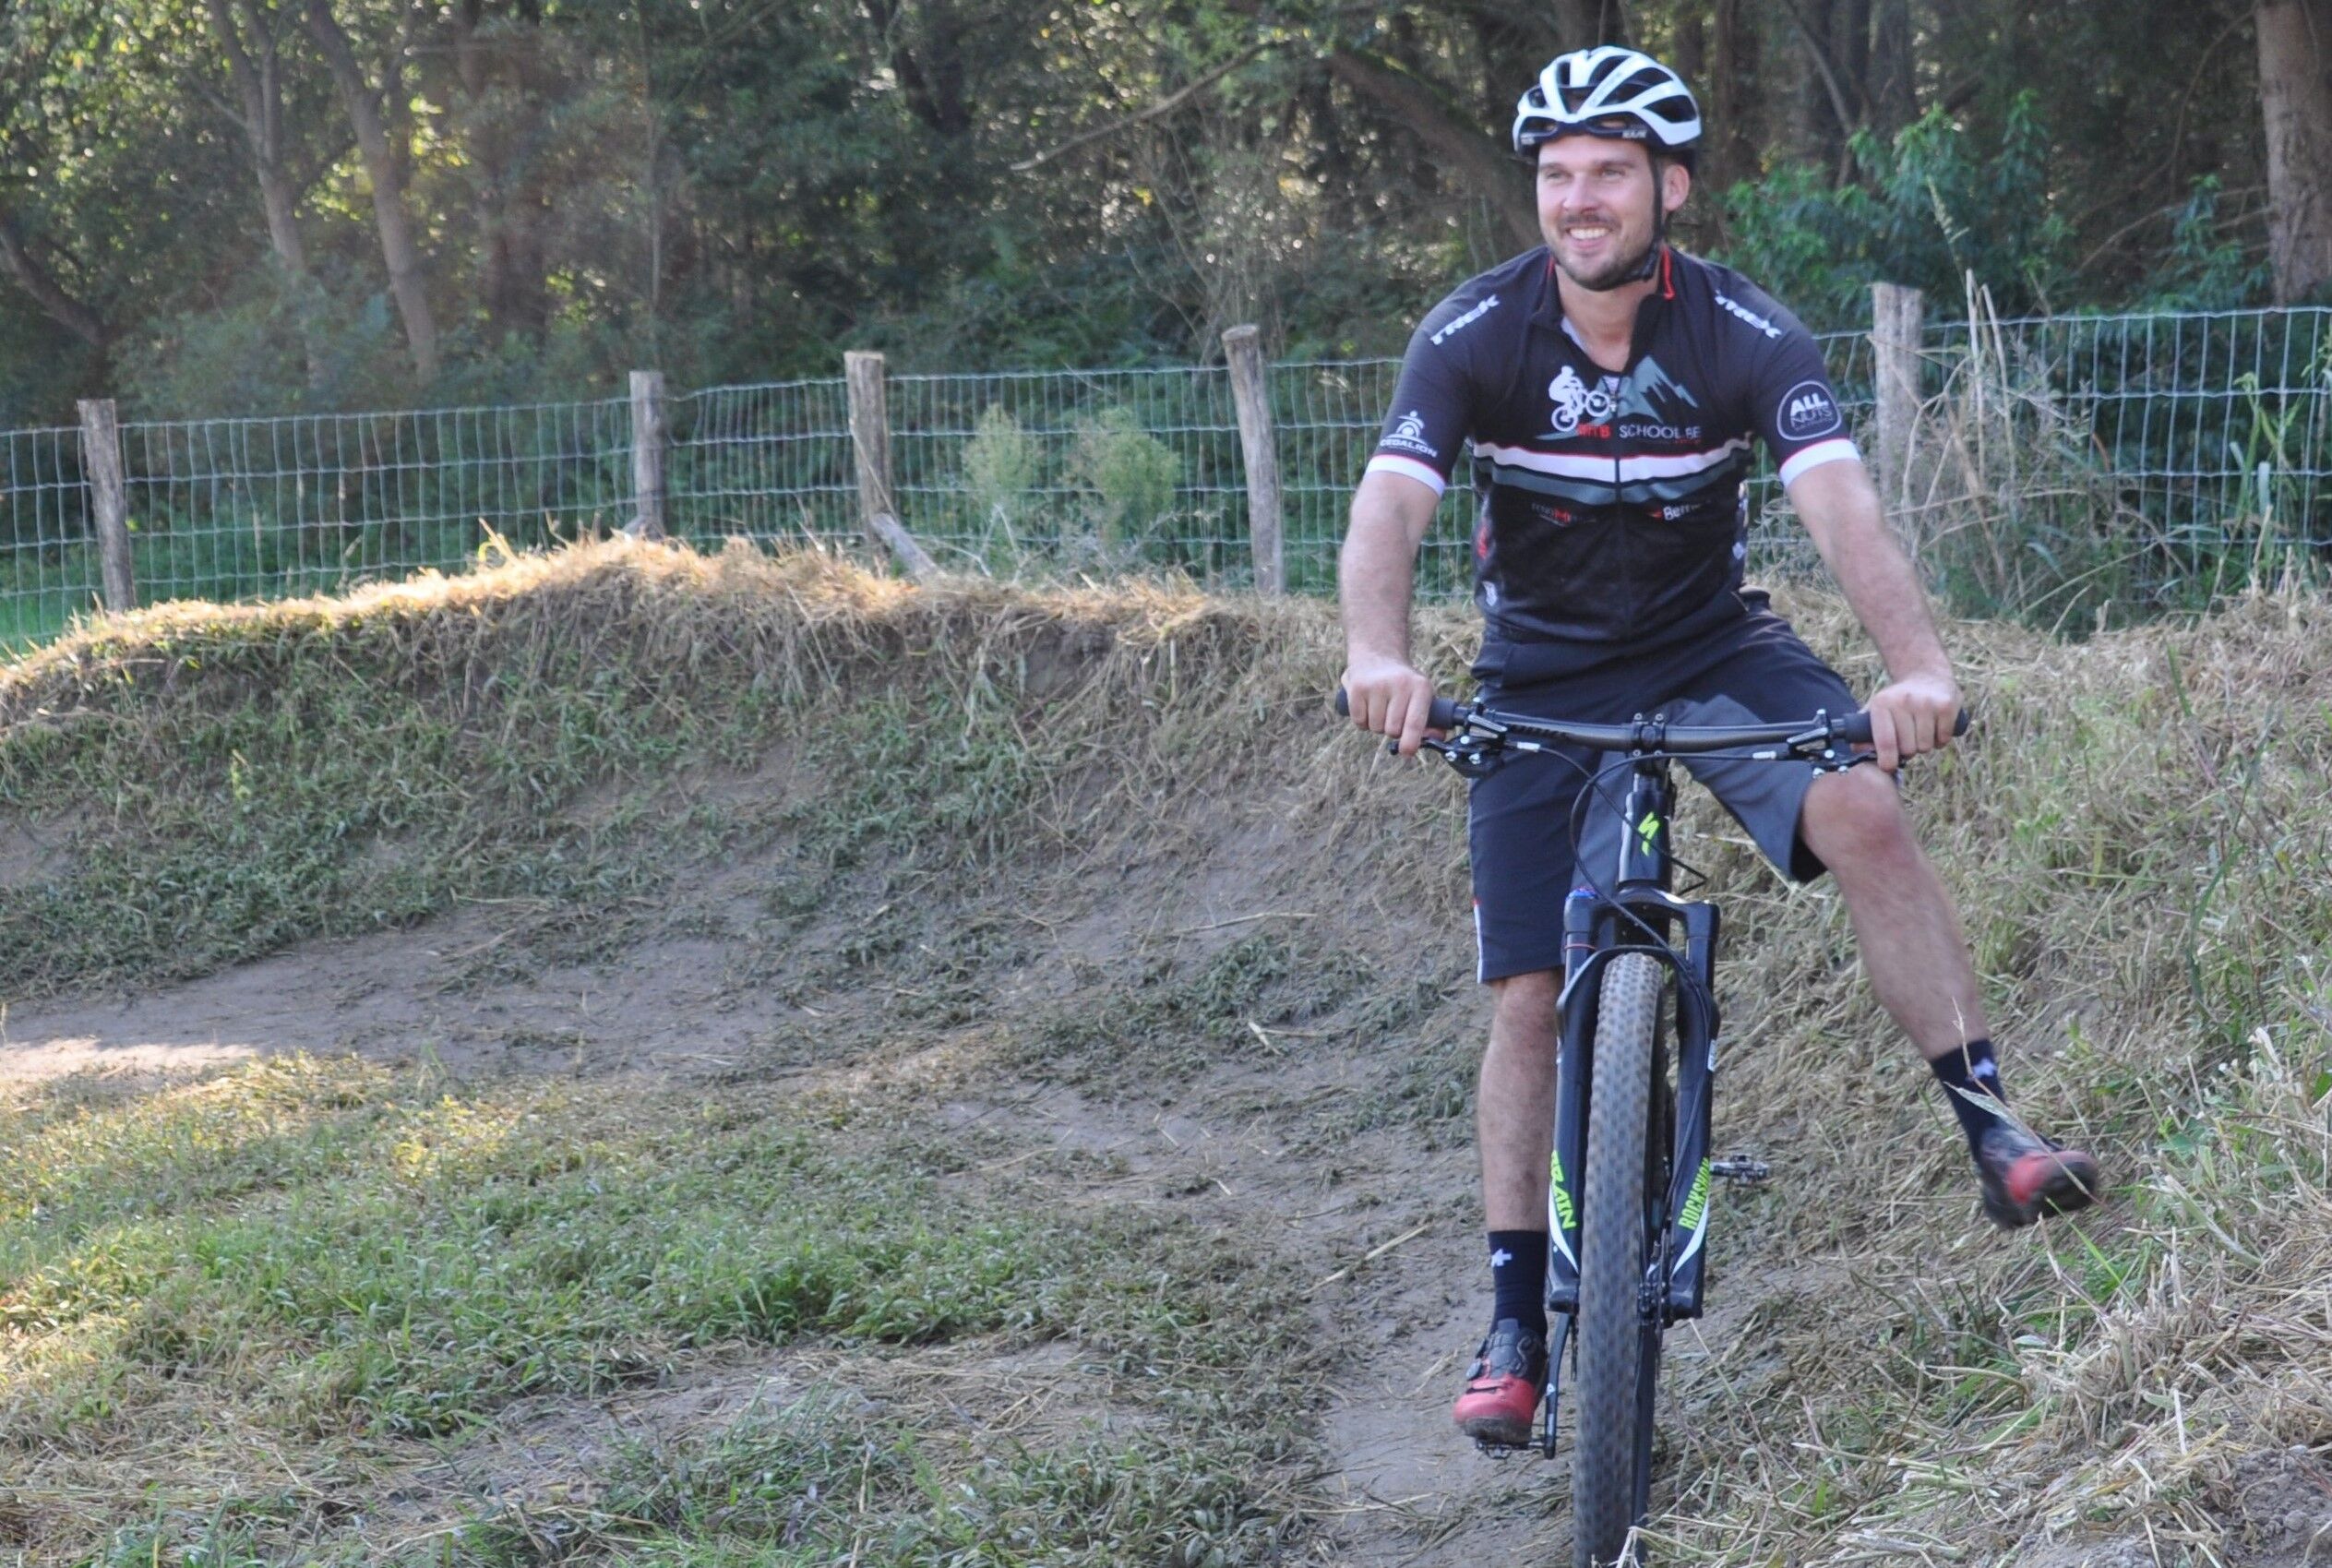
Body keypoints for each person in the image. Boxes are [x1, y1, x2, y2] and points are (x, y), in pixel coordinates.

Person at [1335, 45, 2102, 1449]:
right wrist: (1377, 652)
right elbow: (1390, 505)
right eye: (1557, 175)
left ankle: (1993, 1124)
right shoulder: (1474, 332)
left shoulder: (1745, 329)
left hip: (1711, 649)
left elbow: (1841, 506)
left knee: (1864, 810)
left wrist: (1918, 669)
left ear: (1670, 189)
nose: (1579, 199)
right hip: (1540, 671)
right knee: (1527, 993)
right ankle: (1514, 1320)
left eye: (1609, 173)